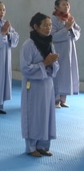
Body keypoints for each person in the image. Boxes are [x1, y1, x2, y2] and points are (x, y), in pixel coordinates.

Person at [21, 13, 59, 157]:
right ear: (36, 27)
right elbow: (25, 68)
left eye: (50, 25)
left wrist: (52, 64)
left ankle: (43, 145)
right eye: (45, 25)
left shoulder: (50, 44)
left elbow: (55, 66)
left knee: (46, 115)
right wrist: (45, 63)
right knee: (34, 114)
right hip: (34, 85)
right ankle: (31, 147)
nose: (48, 28)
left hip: (47, 84)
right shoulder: (28, 45)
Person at [51, 0, 80, 108]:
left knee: (67, 73)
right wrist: (66, 28)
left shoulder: (70, 19)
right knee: (58, 73)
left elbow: (77, 33)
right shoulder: (53, 19)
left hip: (70, 51)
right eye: (63, 4)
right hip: (59, 51)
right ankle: (55, 100)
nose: (66, 6)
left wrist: (70, 28)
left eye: (68, 4)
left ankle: (63, 99)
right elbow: (52, 36)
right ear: (57, 7)